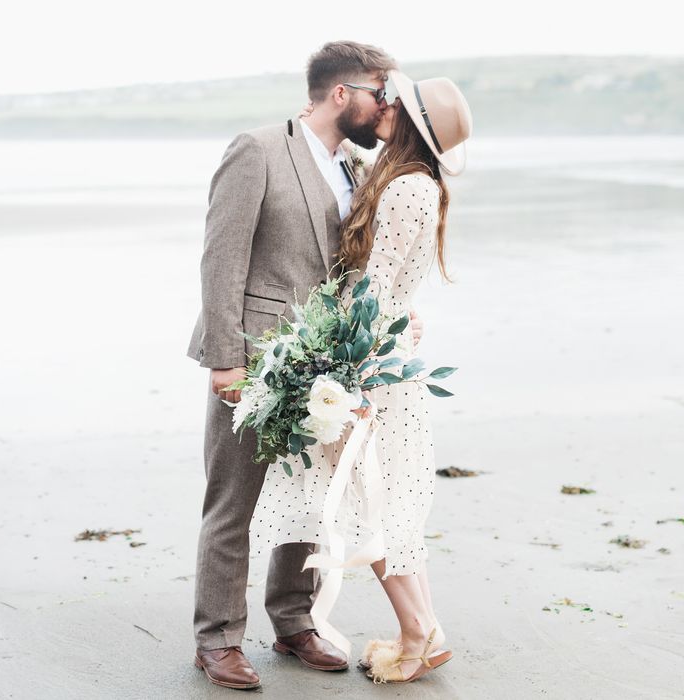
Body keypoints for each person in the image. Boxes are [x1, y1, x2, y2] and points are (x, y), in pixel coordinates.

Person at [185, 41, 426, 690]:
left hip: (327, 366)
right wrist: (223, 360)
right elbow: (221, 259)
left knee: (309, 499)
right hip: (256, 358)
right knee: (232, 503)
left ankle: (292, 622)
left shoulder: (353, 163)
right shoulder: (258, 150)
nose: (388, 106)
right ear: (341, 94)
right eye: (381, 93)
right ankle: (217, 641)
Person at [251, 69, 473, 684]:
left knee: (370, 502)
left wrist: (348, 375)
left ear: (403, 119)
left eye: (392, 100)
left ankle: (417, 632)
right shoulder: (403, 180)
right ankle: (425, 628)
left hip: (373, 366)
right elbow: (392, 281)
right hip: (386, 355)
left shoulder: (405, 188)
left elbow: (373, 289)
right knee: (387, 502)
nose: (383, 103)